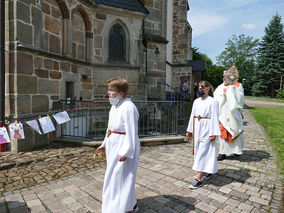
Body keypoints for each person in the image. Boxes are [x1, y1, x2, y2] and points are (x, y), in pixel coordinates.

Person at [97, 77, 140, 213]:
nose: (108, 93)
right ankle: (130, 204)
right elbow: (110, 128)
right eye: (108, 90)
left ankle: (119, 208)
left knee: (121, 177)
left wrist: (126, 151)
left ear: (121, 93)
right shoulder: (115, 106)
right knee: (115, 176)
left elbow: (131, 131)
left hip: (123, 145)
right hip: (113, 145)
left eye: (111, 90)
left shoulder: (128, 107)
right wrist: (104, 143)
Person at [186, 81, 220, 189]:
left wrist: (213, 133)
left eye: (202, 88)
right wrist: (189, 130)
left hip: (207, 128)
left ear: (207, 89)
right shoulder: (196, 101)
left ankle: (198, 179)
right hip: (197, 128)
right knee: (198, 151)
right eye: (199, 88)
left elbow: (215, 117)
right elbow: (192, 116)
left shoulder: (213, 102)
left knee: (203, 152)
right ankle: (208, 170)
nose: (199, 89)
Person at [213, 65, 245, 161]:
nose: (224, 77)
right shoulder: (220, 87)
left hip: (233, 114)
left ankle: (237, 150)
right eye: (223, 76)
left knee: (235, 131)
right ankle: (222, 152)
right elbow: (216, 98)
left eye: (226, 75)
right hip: (222, 113)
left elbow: (240, 99)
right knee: (222, 134)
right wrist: (222, 95)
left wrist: (230, 91)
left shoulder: (237, 85)